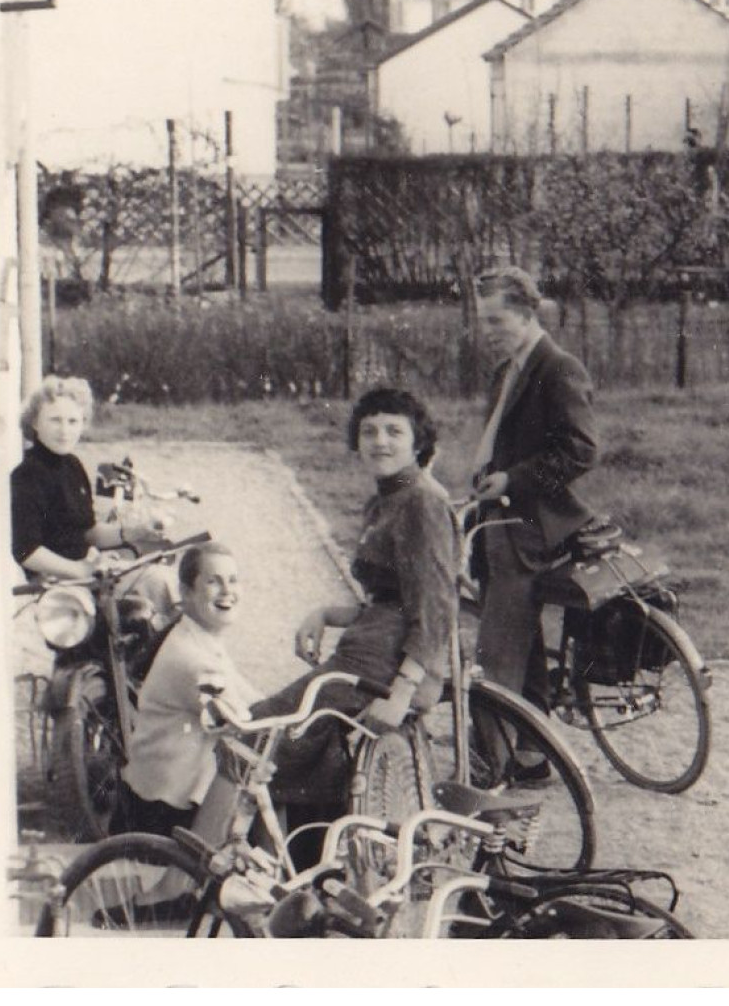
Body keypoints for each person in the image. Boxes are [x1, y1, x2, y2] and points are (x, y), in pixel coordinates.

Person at [253, 388, 457, 858]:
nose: (379, 441)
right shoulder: (388, 498)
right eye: (369, 431)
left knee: (260, 732)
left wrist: (402, 691)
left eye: (394, 431)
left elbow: (435, 606)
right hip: (371, 649)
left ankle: (231, 874)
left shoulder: (421, 502)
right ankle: (307, 869)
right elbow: (392, 598)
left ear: (417, 441)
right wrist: (327, 614)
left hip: (392, 667)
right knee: (304, 745)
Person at [469, 266, 598, 735]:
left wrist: (512, 481)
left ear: (526, 314)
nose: (488, 333)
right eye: (483, 321)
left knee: (496, 652)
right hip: (497, 524)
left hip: (532, 528)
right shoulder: (508, 370)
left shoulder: (558, 367)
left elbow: (581, 451)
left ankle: (488, 764)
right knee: (521, 648)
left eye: (496, 322)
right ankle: (533, 753)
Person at [114, 541, 260, 836]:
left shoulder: (198, 637)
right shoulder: (193, 660)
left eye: (233, 580)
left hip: (168, 799)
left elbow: (246, 693)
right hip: (162, 813)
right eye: (213, 581)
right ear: (186, 592)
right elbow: (245, 721)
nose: (227, 591)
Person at [10, 375, 153, 581]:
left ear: (82, 424)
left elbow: (88, 532)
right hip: (54, 587)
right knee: (153, 584)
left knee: (157, 576)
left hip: (88, 572)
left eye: (73, 421)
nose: (64, 431)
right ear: (34, 422)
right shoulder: (27, 474)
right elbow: (25, 551)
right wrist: (79, 570)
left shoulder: (73, 465)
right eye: (55, 420)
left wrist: (129, 533)